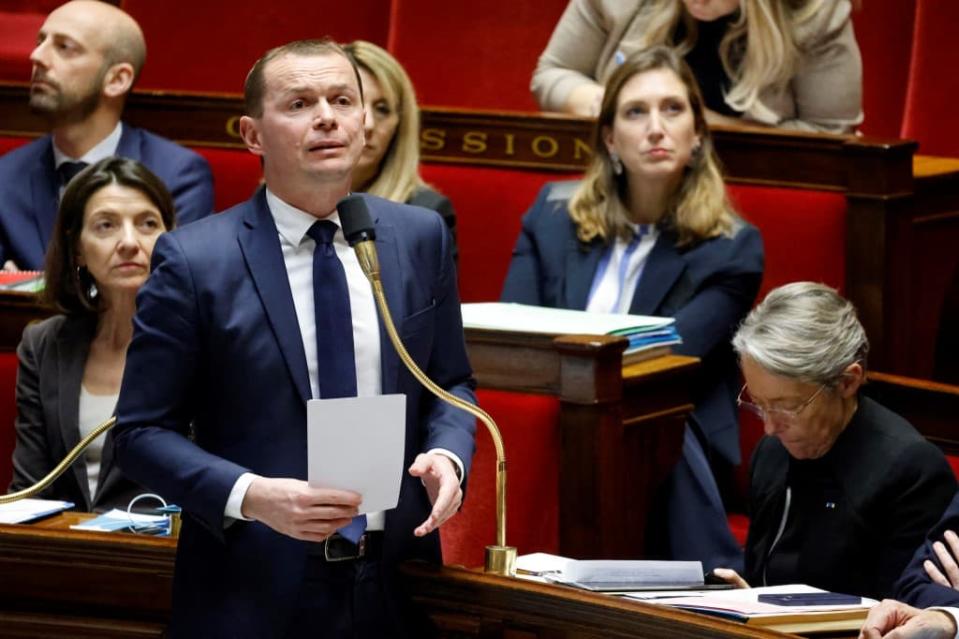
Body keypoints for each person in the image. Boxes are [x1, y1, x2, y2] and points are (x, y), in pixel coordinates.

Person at [112, 38, 476, 638]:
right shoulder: (195, 261)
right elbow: (141, 433)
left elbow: (450, 381)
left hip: (396, 584)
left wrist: (447, 455)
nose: (327, 117)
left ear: (364, 123)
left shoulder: (418, 237)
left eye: (342, 100)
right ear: (252, 134)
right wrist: (252, 496)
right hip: (251, 586)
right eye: (300, 103)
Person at [502, 45, 764, 570]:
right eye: (635, 112)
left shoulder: (731, 248)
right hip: (552, 421)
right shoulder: (550, 216)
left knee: (647, 409)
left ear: (697, 135)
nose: (656, 127)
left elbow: (660, 358)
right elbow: (514, 336)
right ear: (609, 138)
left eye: (673, 109)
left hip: (665, 436)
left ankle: (709, 590)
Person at [713, 282, 957, 600]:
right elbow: (763, 578)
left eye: (788, 406)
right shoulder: (773, 452)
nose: (769, 427)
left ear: (847, 382)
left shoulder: (912, 472)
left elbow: (900, 611)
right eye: (759, 404)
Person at [8, 157, 175, 512]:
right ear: (78, 249)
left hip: (163, 554)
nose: (129, 242)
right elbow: (29, 488)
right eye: (106, 226)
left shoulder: (198, 340)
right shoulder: (44, 345)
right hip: (66, 553)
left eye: (147, 224)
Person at [0, 0, 213, 272]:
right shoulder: (5, 176)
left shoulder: (177, 176)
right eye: (40, 41)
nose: (37, 56)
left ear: (117, 80)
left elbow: (174, 287)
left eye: (64, 47)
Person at [531, 0, 862, 133]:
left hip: (751, 191)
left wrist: (700, 124)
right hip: (628, 181)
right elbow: (553, 73)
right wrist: (610, 105)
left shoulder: (814, 11)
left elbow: (831, 136)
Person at [343, 40, 458, 257]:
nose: (368, 125)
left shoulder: (424, 216)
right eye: (349, 103)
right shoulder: (277, 199)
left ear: (399, 125)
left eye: (383, 109)